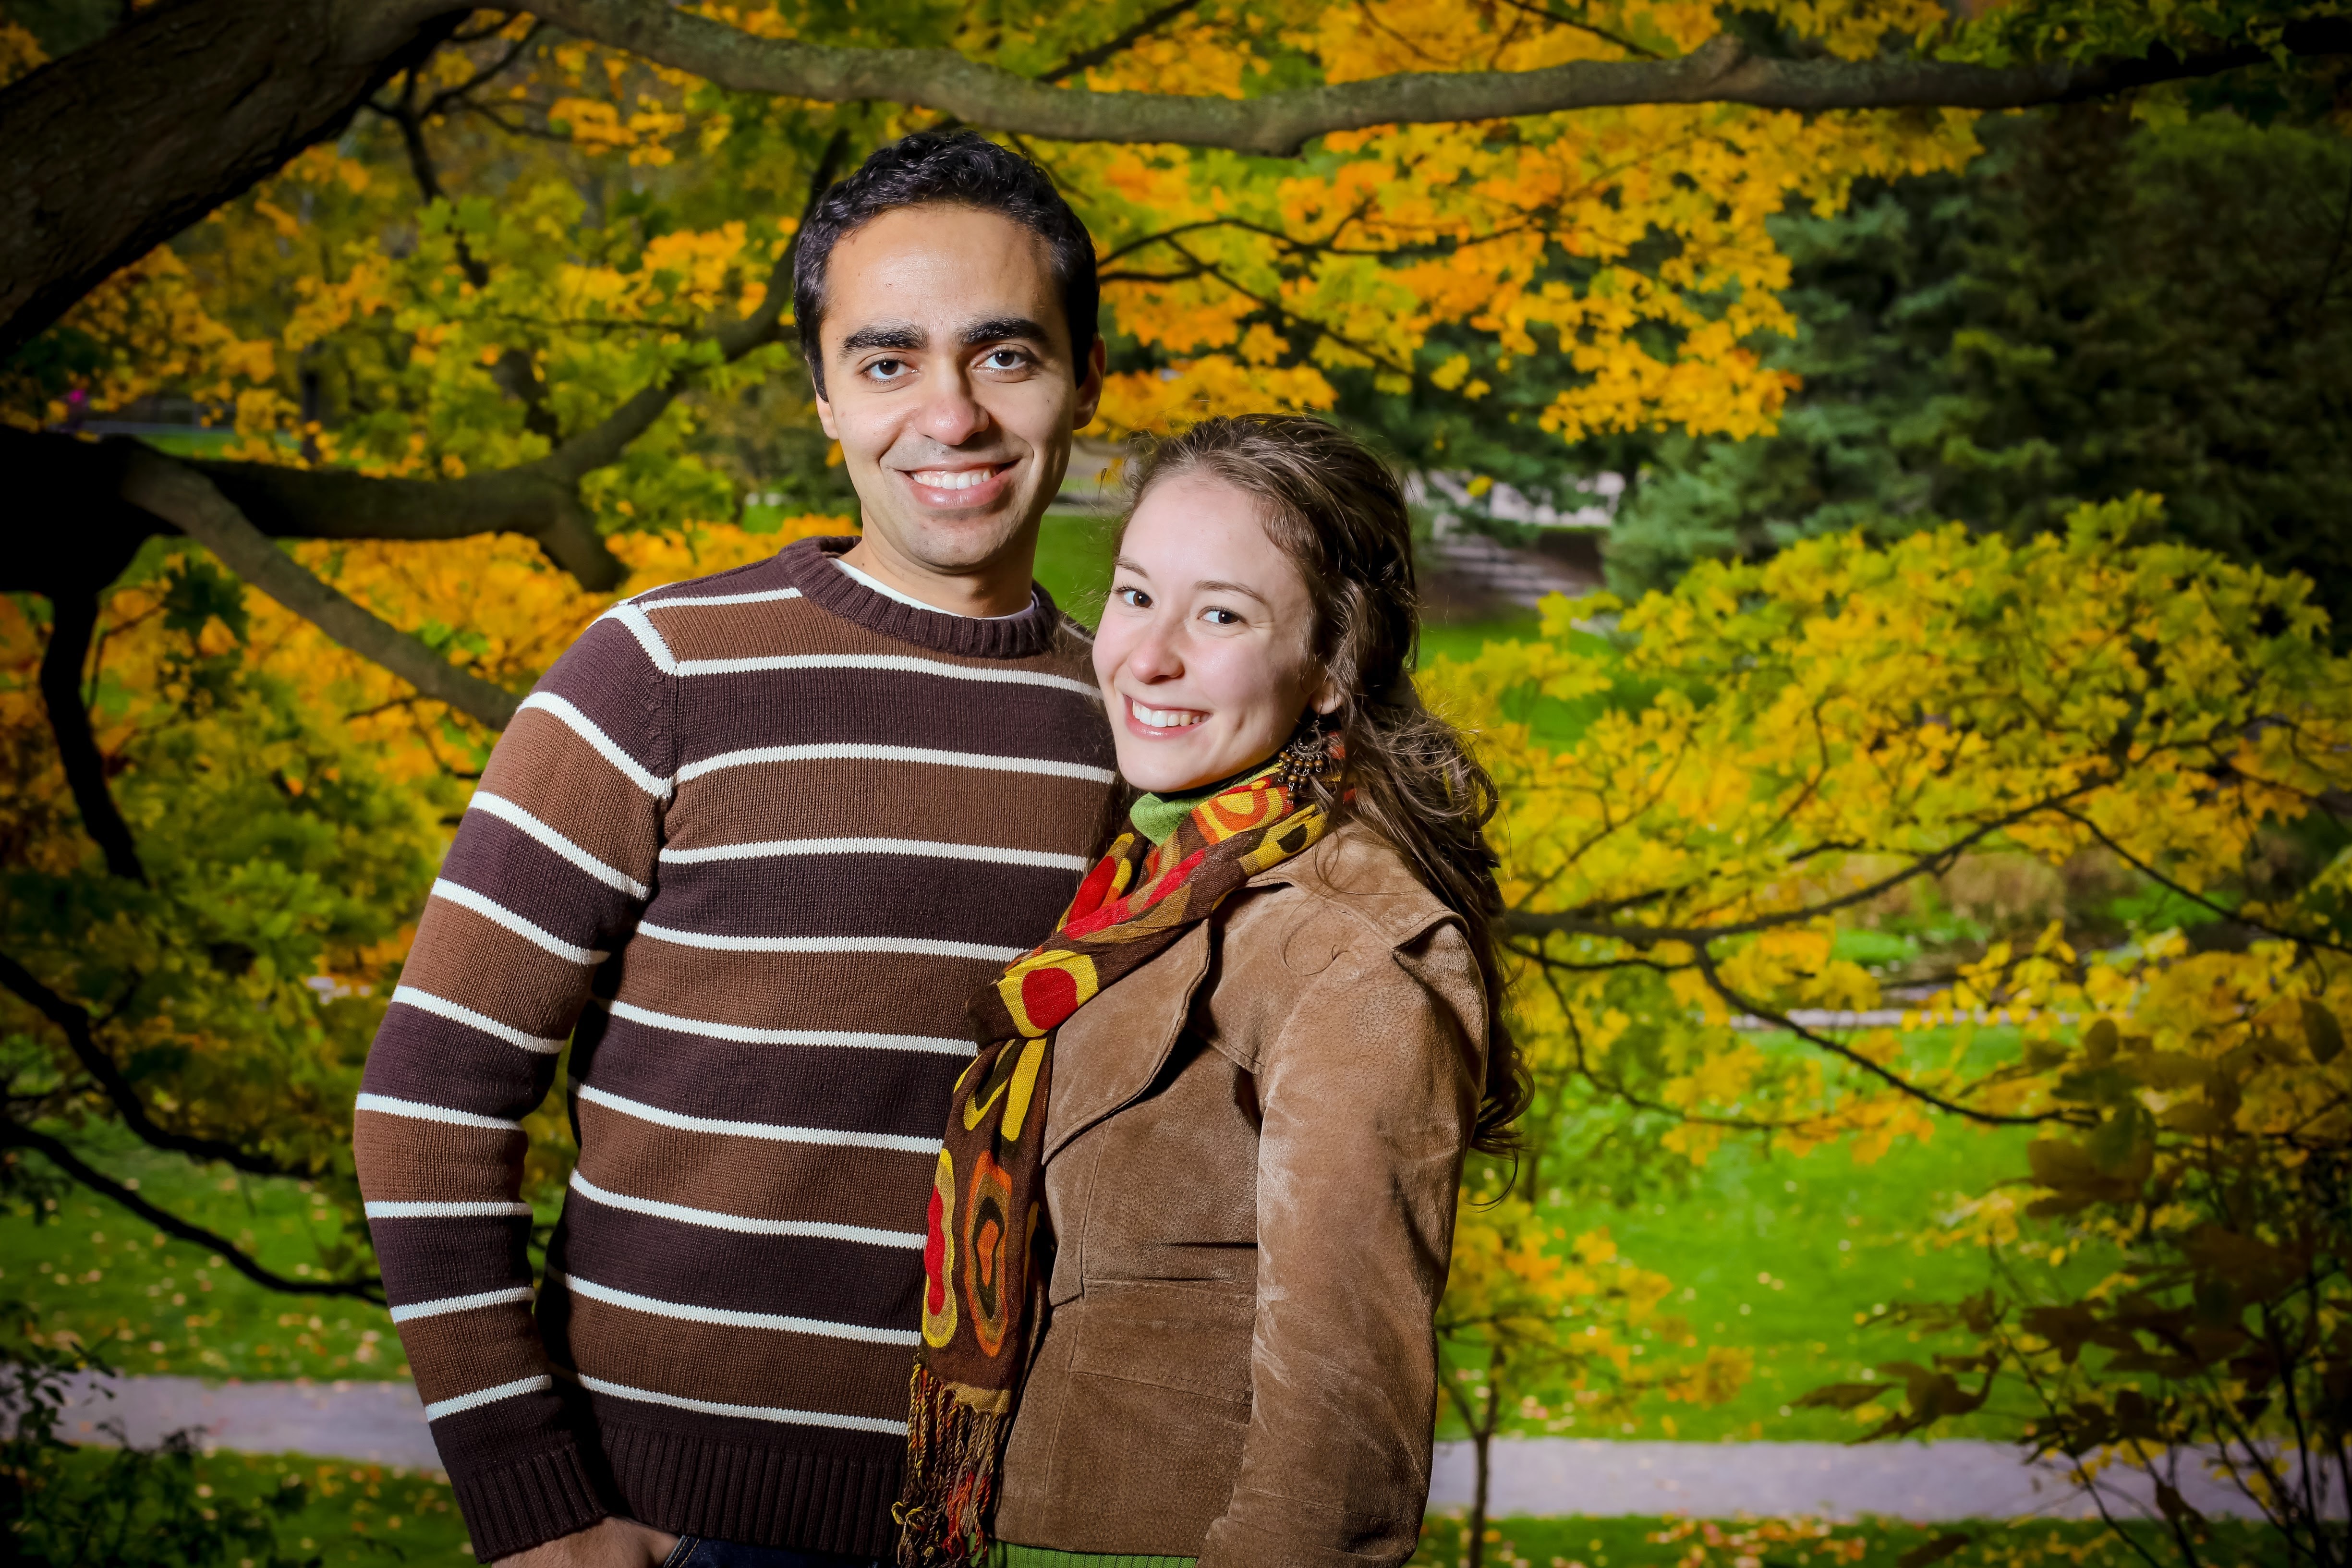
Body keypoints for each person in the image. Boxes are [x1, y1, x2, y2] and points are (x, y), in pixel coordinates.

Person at [351, 131, 1119, 1568]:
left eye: (1004, 355)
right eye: (887, 362)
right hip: (654, 1527)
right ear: (824, 396)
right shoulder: (655, 668)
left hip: (956, 1521)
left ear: (1083, 380)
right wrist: (533, 1507)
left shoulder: (1122, 729)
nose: (947, 415)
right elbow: (427, 1105)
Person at [896, 414, 1527, 1568]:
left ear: (1335, 666)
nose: (1147, 657)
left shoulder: (1339, 952)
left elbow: (1338, 1460)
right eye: (1136, 596)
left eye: (1221, 615)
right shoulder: (1152, 883)